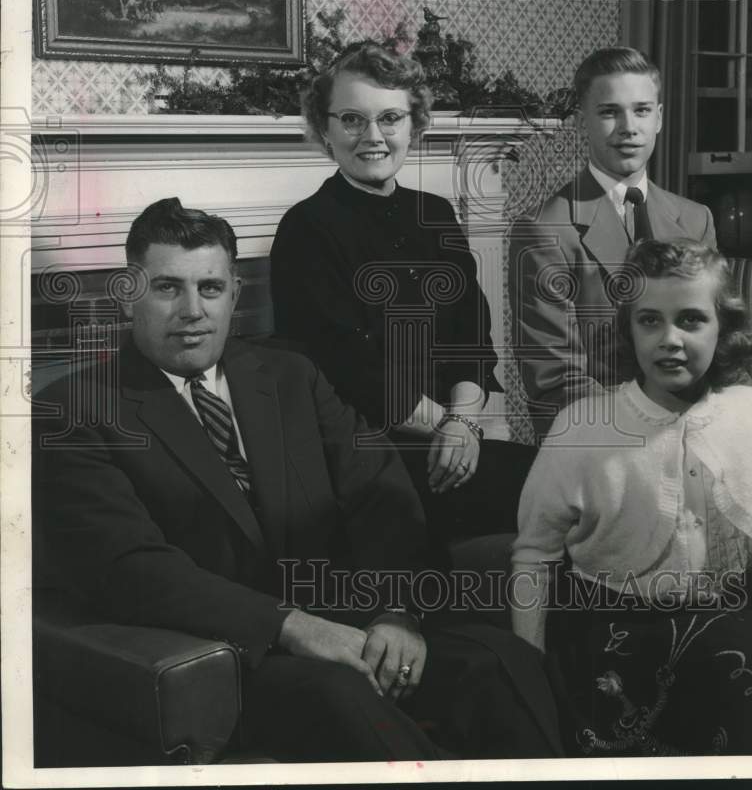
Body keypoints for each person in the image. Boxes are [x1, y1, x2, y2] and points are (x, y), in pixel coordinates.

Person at [33, 197, 562, 763]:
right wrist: (293, 628)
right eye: (168, 288)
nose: (192, 310)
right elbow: (132, 570)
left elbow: (380, 496)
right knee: (343, 701)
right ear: (129, 292)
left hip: (358, 624)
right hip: (235, 653)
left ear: (235, 294)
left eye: (210, 288)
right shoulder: (75, 410)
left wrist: (396, 613)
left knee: (499, 661)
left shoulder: (290, 375)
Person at [271, 41, 532, 541]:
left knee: (571, 485)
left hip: (454, 438)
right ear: (324, 128)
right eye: (352, 119)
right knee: (549, 496)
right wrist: (455, 429)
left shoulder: (436, 214)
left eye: (390, 118)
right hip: (367, 452)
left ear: (414, 124)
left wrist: (463, 425)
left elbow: (473, 343)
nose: (373, 136)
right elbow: (350, 371)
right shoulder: (305, 229)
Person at [510, 238, 752, 756]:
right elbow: (533, 555)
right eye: (650, 321)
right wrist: (528, 667)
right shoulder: (580, 428)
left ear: (724, 329)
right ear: (628, 328)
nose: (669, 339)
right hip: (613, 643)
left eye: (691, 320)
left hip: (733, 637)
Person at [508, 47, 717, 441]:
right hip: (600, 448)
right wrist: (658, 436)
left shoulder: (695, 219)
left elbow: (718, 352)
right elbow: (556, 382)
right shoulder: (543, 230)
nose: (628, 127)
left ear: (659, 118)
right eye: (609, 112)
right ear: (582, 122)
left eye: (641, 110)